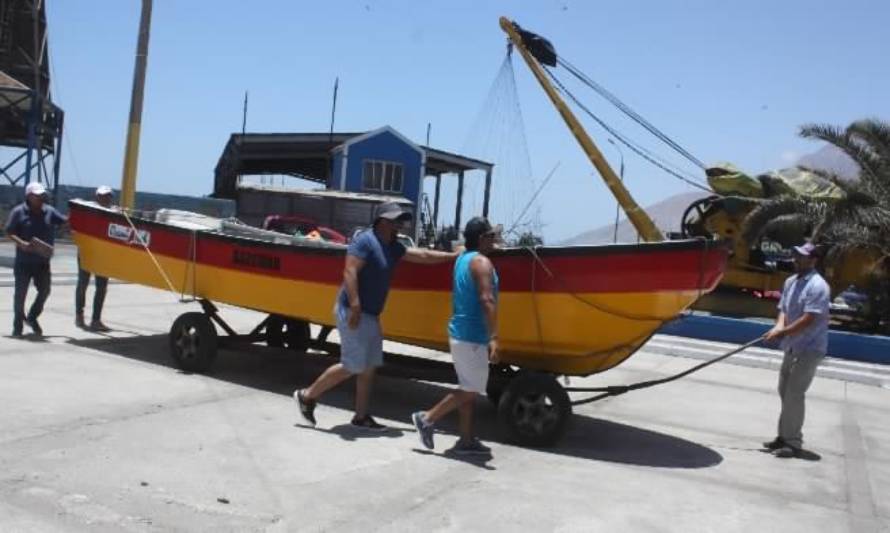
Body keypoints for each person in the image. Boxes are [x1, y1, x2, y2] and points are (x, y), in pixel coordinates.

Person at [294, 202, 456, 430]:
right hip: (353, 311)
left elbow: (423, 254)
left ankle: (361, 416)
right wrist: (356, 306)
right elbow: (350, 271)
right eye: (396, 220)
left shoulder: (393, 246)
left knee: (369, 368)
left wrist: (451, 256)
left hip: (371, 314)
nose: (400, 225)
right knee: (352, 365)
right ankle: (307, 395)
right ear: (383, 221)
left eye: (401, 220)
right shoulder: (365, 241)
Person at [412, 217, 499, 455]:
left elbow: (470, 249)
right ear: (481, 239)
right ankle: (427, 418)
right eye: (491, 236)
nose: (495, 240)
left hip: (460, 333)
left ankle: (466, 440)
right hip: (473, 336)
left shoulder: (464, 258)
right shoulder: (481, 263)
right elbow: (487, 299)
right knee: (470, 390)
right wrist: (494, 337)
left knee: (466, 389)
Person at [763, 241, 830, 458]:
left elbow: (809, 318)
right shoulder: (791, 281)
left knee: (794, 393)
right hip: (792, 346)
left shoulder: (819, 286)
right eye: (796, 255)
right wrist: (778, 326)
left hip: (809, 349)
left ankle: (793, 443)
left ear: (813, 260)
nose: (796, 259)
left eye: (801, 256)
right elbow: (783, 308)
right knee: (785, 391)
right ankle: (783, 437)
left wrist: (782, 333)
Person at [4, 182, 67, 337]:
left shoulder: (50, 211)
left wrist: (74, 218)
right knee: (20, 295)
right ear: (29, 196)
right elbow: (9, 232)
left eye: (42, 195)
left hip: (42, 263)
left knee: (45, 291)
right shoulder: (18, 212)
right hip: (24, 262)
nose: (41, 198)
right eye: (37, 195)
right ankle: (17, 326)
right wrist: (22, 244)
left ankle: (32, 317)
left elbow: (64, 222)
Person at [75, 186, 114, 331]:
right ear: (97, 197)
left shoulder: (113, 212)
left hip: (104, 255)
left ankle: (96, 319)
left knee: (102, 287)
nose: (106, 198)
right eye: (103, 196)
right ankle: (79, 315)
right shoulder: (89, 209)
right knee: (82, 284)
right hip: (87, 251)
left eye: (108, 196)